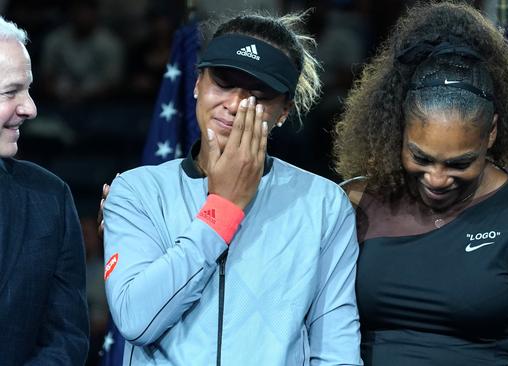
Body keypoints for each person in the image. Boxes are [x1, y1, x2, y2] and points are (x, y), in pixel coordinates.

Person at [333, 2, 508, 365]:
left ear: (491, 134)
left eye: (459, 163)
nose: (437, 178)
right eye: (421, 158)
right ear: (399, 129)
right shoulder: (354, 202)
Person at [102, 12, 362, 365]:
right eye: (223, 82)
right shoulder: (136, 191)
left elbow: (336, 350)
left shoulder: (324, 204)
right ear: (197, 84)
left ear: (284, 110)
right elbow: (137, 320)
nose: (236, 104)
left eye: (259, 93)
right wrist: (222, 208)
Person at [0, 16, 89, 365]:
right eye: (10, 92)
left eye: (29, 89)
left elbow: (66, 338)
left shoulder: (49, 198)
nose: (30, 108)